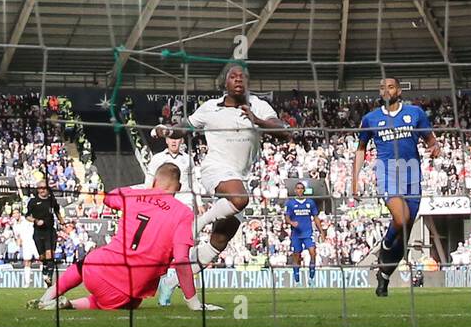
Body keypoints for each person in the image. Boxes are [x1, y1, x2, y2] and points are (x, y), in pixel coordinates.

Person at [27, 164, 220, 312]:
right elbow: (181, 260)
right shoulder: (183, 213)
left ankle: (48, 297)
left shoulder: (134, 196)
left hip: (97, 267)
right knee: (128, 301)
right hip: (126, 287)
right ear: (178, 187)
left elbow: (109, 197)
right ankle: (69, 304)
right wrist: (192, 301)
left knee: (87, 262)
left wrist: (141, 190)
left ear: (153, 182)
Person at [186, 63, 287, 278]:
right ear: (225, 82)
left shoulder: (258, 105)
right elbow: (185, 126)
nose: (239, 79)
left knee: (221, 237)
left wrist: (257, 121)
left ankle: (177, 276)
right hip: (216, 168)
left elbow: (284, 133)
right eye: (233, 76)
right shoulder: (210, 107)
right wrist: (164, 130)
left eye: (243, 77)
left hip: (241, 176)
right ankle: (199, 222)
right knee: (240, 199)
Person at [352, 77, 439, 297]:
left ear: (399, 90)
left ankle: (384, 277)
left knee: (406, 232)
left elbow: (429, 138)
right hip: (387, 174)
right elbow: (361, 148)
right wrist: (354, 179)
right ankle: (385, 245)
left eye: (390, 86)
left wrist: (434, 147)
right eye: (382, 87)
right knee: (400, 219)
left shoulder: (415, 113)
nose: (386, 90)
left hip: (411, 174)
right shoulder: (371, 118)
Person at [143, 128, 195, 306]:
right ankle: (165, 283)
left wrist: (200, 202)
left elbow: (194, 181)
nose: (174, 141)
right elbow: (149, 181)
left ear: (181, 141)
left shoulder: (188, 159)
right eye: (171, 138)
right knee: (163, 246)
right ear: (166, 140)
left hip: (185, 205)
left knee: (185, 251)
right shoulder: (157, 159)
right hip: (163, 206)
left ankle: (171, 283)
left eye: (177, 138)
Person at [286, 181, 326, 284]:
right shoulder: (291, 203)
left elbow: (315, 217)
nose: (299, 190)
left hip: (307, 233)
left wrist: (321, 231)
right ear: (295, 190)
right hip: (296, 234)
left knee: (313, 253)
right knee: (296, 256)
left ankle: (311, 277)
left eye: (301, 188)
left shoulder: (310, 202)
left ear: (304, 190)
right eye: (298, 188)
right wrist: (291, 222)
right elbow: (286, 217)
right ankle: (297, 280)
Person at [25, 179, 62, 287]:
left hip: (50, 231)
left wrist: (63, 222)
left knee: (50, 254)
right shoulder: (33, 201)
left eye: (44, 188)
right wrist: (36, 221)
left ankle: (48, 277)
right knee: (42, 257)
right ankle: (45, 271)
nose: (43, 190)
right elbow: (27, 216)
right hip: (38, 232)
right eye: (40, 188)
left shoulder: (52, 200)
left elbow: (57, 211)